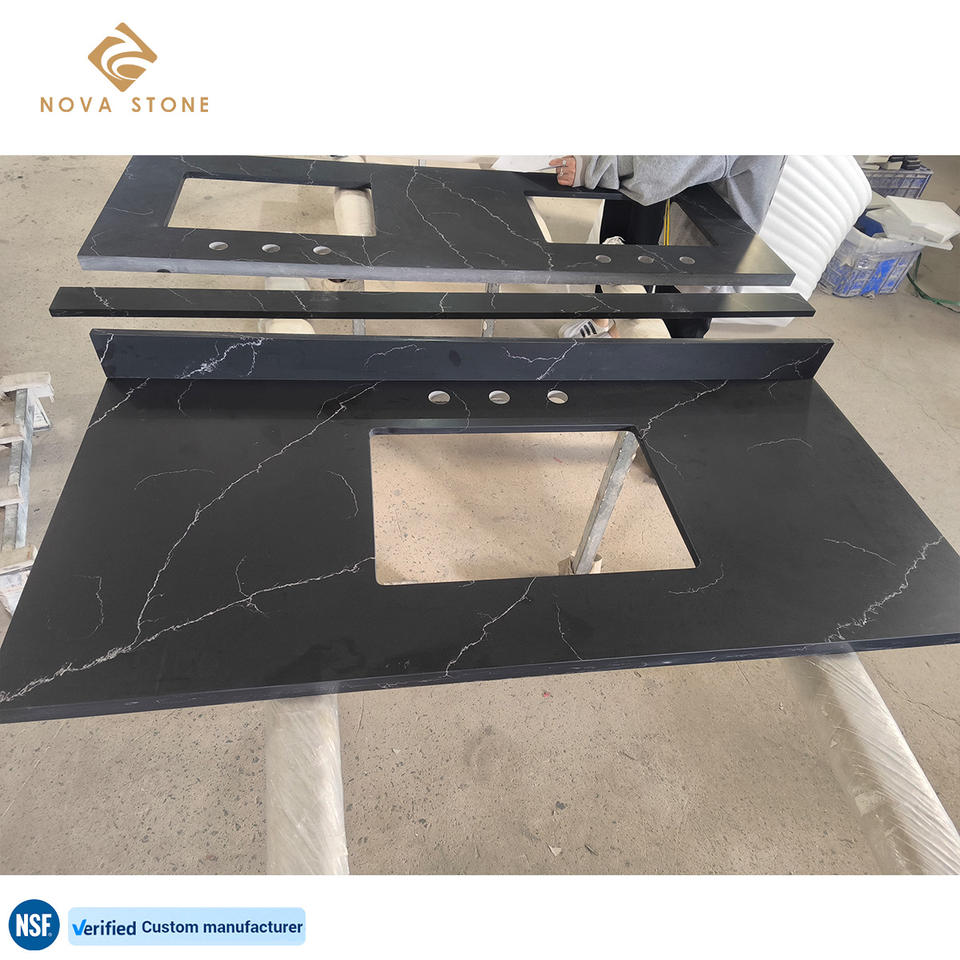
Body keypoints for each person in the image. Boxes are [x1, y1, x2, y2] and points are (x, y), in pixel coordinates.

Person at [548, 155, 785, 338]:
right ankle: (606, 323)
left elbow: (670, 168)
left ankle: (621, 344)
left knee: (674, 332)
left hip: (707, 241)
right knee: (623, 248)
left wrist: (595, 167)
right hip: (686, 208)